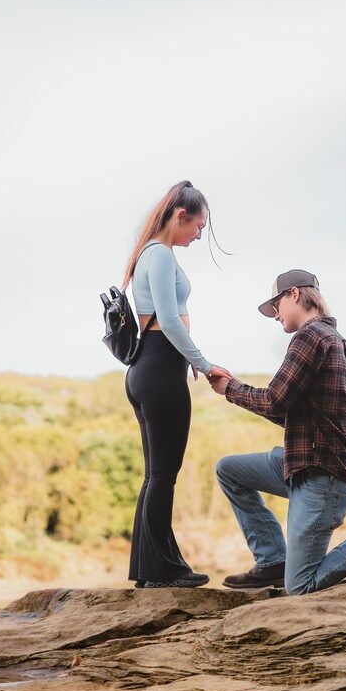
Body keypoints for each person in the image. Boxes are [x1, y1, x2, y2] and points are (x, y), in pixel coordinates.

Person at [208, 269, 346, 594]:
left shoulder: (310, 337)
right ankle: (272, 561)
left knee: (299, 587)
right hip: (304, 464)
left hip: (322, 476)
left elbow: (273, 401)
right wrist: (236, 388)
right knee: (229, 470)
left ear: (295, 294)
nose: (275, 315)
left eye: (276, 306)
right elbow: (298, 415)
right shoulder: (338, 342)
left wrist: (230, 389)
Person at [122, 181, 229, 588]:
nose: (199, 235)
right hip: (161, 369)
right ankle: (162, 570)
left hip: (146, 368)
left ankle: (148, 570)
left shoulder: (148, 252)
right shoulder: (161, 255)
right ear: (180, 216)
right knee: (163, 476)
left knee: (155, 475)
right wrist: (202, 362)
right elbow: (168, 320)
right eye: (198, 226)